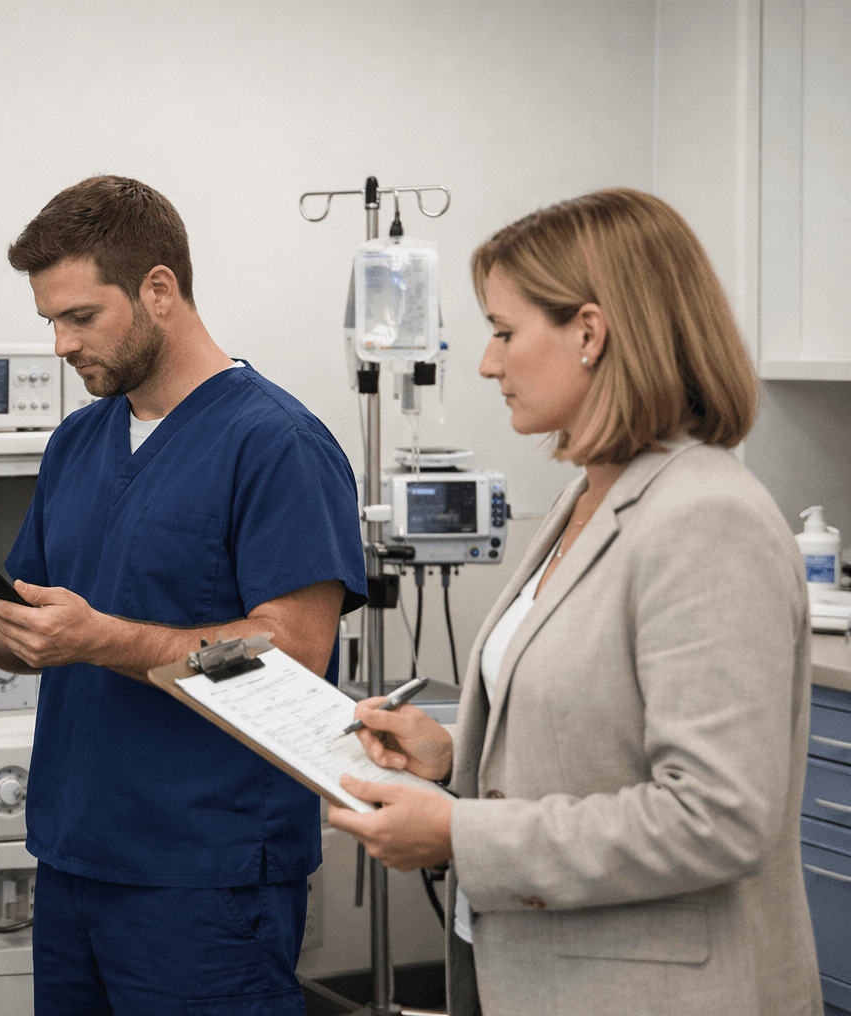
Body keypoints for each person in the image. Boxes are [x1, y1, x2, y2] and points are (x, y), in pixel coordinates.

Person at [326, 188, 822, 1016]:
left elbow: (714, 818)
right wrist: (452, 758)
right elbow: (596, 727)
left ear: (590, 332)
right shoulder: (588, 499)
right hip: (534, 972)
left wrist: (459, 835)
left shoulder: (706, 518)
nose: (486, 363)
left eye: (503, 333)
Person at [0, 175, 368, 1015]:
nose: (60, 345)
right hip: (78, 858)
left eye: (80, 317)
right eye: (50, 321)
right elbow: (51, 630)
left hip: (206, 875)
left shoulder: (276, 445)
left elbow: (291, 654)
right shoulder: (81, 439)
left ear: (159, 291)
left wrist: (103, 638)